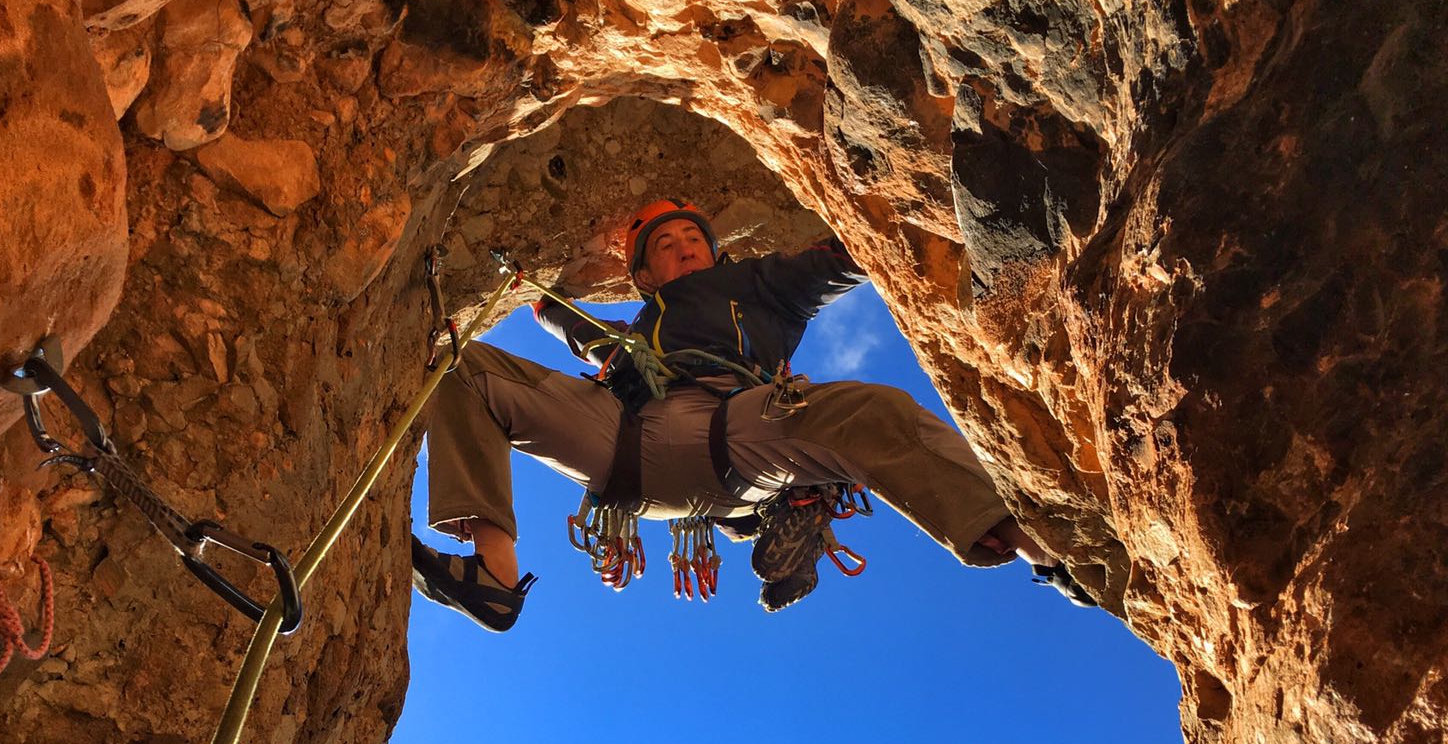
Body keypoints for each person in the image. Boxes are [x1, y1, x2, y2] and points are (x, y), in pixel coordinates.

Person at [411, 198, 1094, 631]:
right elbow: (580, 329)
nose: (685, 247)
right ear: (642, 276)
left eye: (693, 238)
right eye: (666, 246)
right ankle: (495, 575)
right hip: (624, 448)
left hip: (729, 433)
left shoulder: (756, 289)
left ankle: (1042, 547)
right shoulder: (635, 333)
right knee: (465, 368)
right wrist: (539, 300)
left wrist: (884, 219)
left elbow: (830, 265)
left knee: (870, 410)